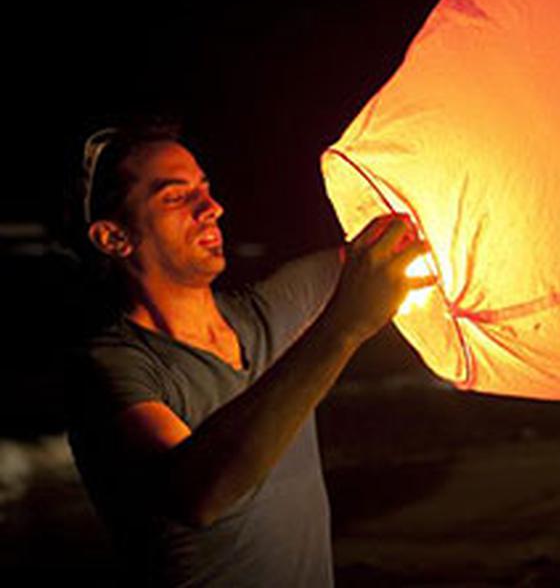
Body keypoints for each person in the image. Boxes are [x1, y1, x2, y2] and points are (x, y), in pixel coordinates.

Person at [66, 124, 435, 587]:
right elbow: (198, 494)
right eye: (176, 198)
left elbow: (381, 255)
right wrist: (344, 329)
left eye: (205, 189)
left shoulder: (263, 316)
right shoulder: (110, 367)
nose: (212, 208)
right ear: (114, 238)